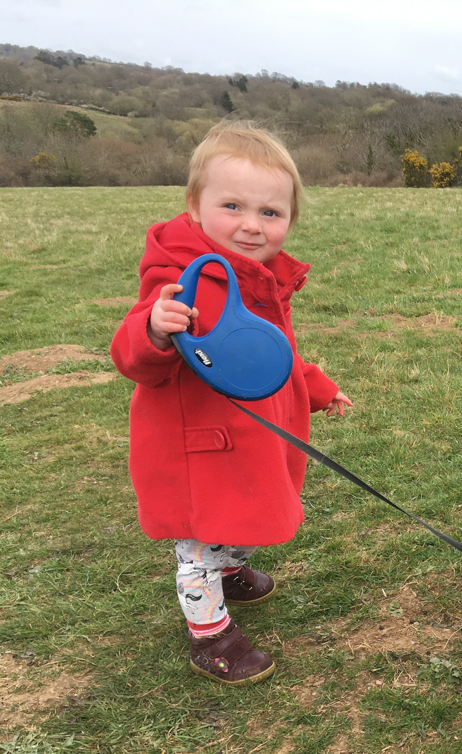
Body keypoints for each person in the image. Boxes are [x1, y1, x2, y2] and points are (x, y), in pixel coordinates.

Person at [111, 121, 352, 686]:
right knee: (201, 538)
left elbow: (271, 354)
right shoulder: (180, 278)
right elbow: (131, 357)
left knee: (247, 510)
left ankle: (231, 570)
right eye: (232, 206)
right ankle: (210, 633)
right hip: (200, 445)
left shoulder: (259, 278)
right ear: (195, 206)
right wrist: (155, 329)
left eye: (271, 212)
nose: (252, 225)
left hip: (250, 434)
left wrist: (317, 387)